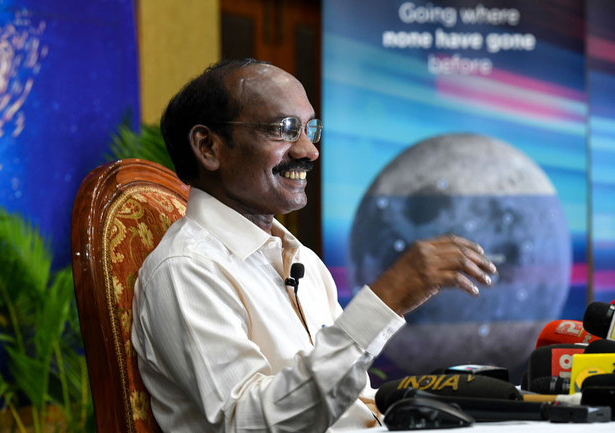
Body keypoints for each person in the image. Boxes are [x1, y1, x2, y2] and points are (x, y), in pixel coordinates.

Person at [131, 58, 497, 432]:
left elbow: (351, 403)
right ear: (208, 146)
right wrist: (386, 299)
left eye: (310, 129)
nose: (309, 150)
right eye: (284, 129)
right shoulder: (186, 269)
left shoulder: (300, 259)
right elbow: (249, 424)